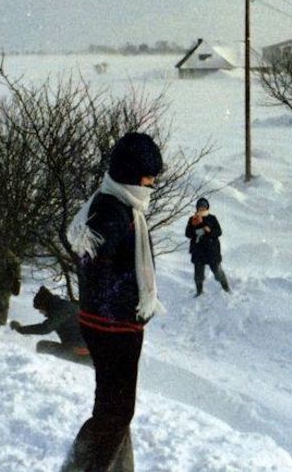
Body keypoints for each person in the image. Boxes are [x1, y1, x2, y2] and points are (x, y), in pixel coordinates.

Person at [61, 132, 165, 472]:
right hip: (113, 329)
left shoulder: (116, 203)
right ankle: (82, 469)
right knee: (114, 411)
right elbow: (100, 274)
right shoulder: (113, 211)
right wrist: (131, 310)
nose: (152, 182)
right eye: (149, 175)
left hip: (108, 325)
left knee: (114, 408)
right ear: (133, 173)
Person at [10, 286, 90, 365]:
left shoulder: (61, 310)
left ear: (44, 305)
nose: (40, 312)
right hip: (83, 349)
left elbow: (45, 328)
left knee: (42, 346)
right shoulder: (64, 306)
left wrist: (21, 329)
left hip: (80, 351)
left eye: (40, 309)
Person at [185, 197, 230, 296]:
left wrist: (208, 229)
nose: (201, 209)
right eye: (200, 207)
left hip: (211, 251)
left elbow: (218, 232)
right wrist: (193, 227)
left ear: (207, 208)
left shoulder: (212, 218)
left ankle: (226, 288)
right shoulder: (192, 219)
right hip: (198, 251)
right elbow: (188, 234)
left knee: (218, 272)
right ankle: (199, 292)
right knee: (198, 275)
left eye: (203, 207)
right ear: (197, 208)